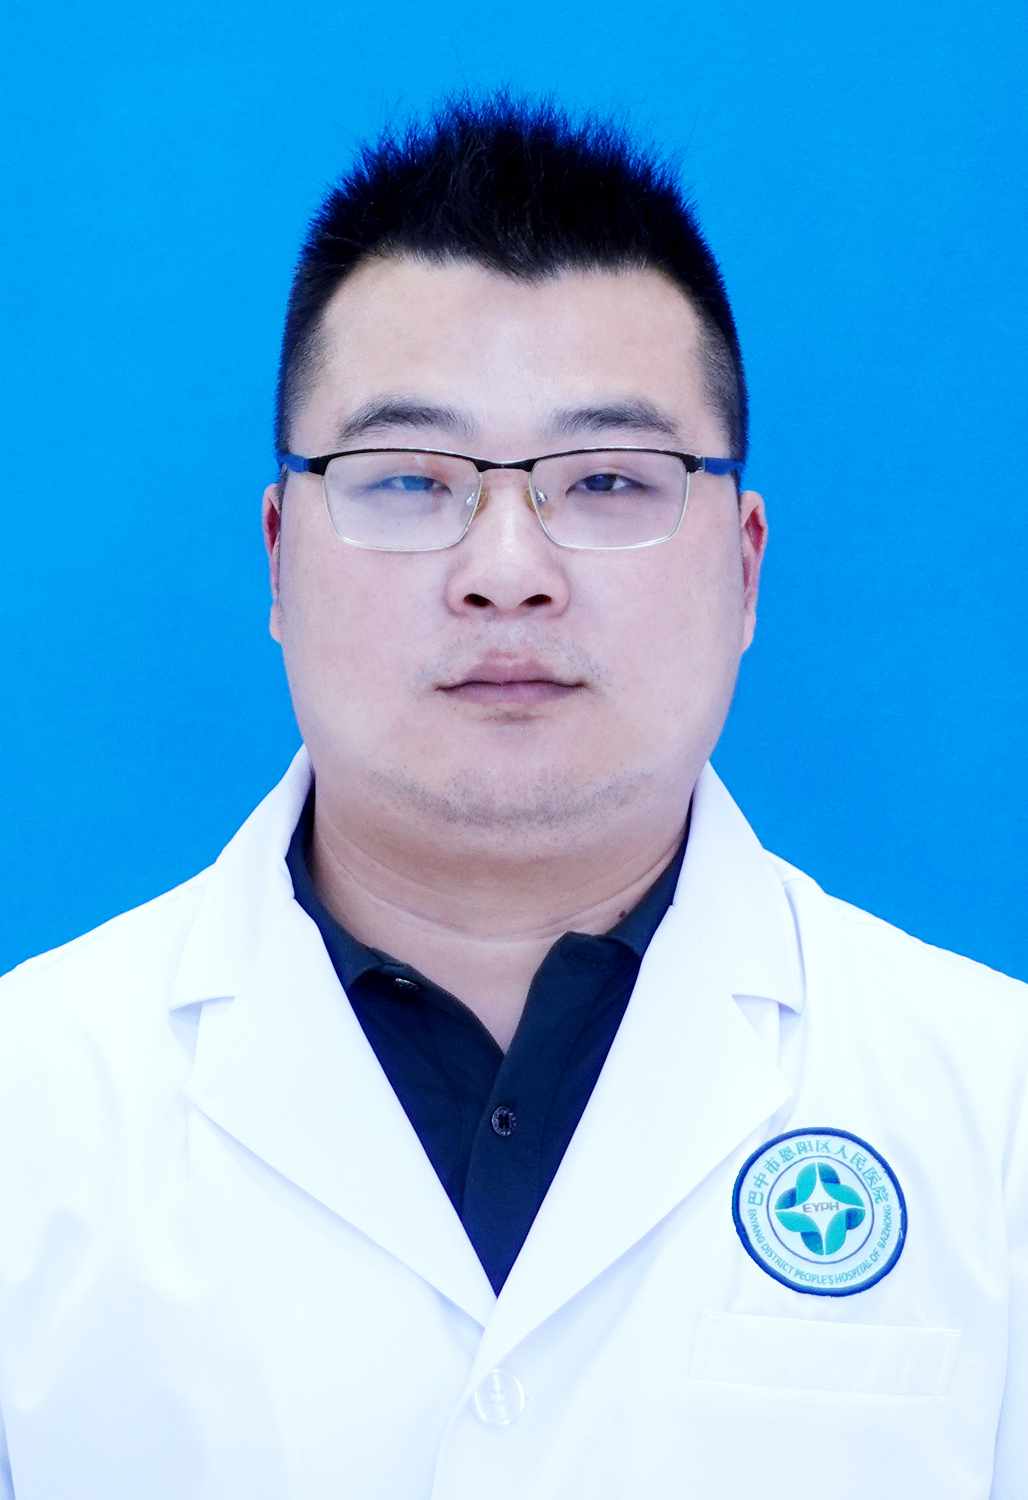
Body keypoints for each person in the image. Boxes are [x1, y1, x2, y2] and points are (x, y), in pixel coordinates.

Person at [1, 89, 1025, 1500]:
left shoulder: (998, 1114)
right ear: (278, 556)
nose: (505, 571)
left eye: (605, 481)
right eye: (408, 481)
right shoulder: (30, 1107)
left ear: (746, 567)